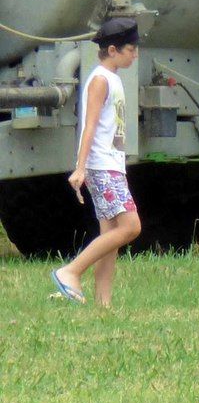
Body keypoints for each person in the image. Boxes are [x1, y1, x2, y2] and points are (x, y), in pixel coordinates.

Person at [52, 17, 144, 307]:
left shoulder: (112, 78)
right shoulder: (100, 80)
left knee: (110, 235)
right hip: (102, 166)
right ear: (113, 50)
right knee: (131, 227)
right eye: (131, 49)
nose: (136, 54)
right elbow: (89, 126)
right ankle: (70, 271)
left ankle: (103, 303)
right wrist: (80, 168)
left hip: (111, 164)